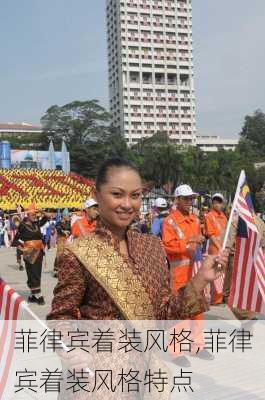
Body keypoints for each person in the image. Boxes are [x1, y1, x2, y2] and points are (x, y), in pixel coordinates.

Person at [47, 159, 227, 378]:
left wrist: (200, 280)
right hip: (98, 374)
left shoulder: (150, 247)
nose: (127, 204)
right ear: (96, 195)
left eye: (135, 195)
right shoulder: (78, 253)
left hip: (144, 373)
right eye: (117, 194)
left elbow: (162, 315)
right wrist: (70, 349)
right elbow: (60, 316)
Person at [162, 184, 211, 365]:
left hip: (194, 270)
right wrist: (190, 242)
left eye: (191, 198)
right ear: (177, 200)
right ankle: (176, 351)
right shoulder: (170, 221)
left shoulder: (195, 220)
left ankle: (197, 345)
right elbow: (167, 246)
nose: (189, 201)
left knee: (196, 308)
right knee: (180, 311)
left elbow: (199, 243)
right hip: (178, 272)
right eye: (186, 198)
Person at [12, 205, 48, 305]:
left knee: (37, 273)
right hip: (29, 253)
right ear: (27, 215)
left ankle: (33, 296)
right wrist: (22, 251)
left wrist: (42, 211)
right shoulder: (22, 226)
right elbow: (17, 241)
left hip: (39, 252)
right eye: (32, 214)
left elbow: (48, 217)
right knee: (32, 273)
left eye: (36, 214)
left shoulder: (37, 224)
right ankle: (38, 295)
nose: (35, 216)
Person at [204, 193, 227, 304]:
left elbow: (226, 233)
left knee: (221, 273)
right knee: (213, 272)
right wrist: (219, 247)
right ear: (212, 203)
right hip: (214, 249)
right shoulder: (209, 216)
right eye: (215, 201)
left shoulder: (224, 216)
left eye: (219, 202)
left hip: (222, 249)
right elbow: (211, 235)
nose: (217, 204)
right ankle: (212, 297)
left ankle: (219, 297)